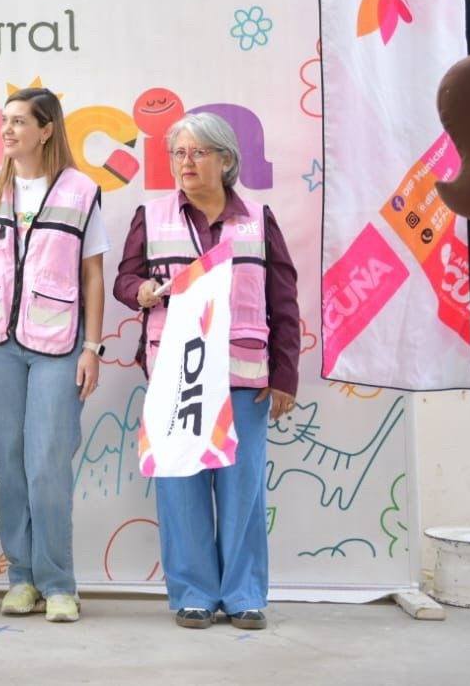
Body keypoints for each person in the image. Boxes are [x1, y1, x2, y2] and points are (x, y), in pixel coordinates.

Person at [113, 111, 299, 630]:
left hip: (242, 374)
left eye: (197, 152)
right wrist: (142, 291)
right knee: (180, 484)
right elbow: (124, 280)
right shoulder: (151, 216)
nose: (186, 162)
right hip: (176, 376)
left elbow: (283, 299)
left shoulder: (259, 218)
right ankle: (192, 593)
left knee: (241, 490)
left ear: (226, 160)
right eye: (178, 153)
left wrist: (284, 375)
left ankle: (243, 596)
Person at [0, 88, 105, 624]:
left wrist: (92, 346)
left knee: (48, 463)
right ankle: (21, 579)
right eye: (4, 121)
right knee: (13, 466)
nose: (7, 130)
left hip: (58, 344)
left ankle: (59, 583)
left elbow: (92, 274)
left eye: (19, 121)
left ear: (46, 129)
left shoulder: (82, 190)